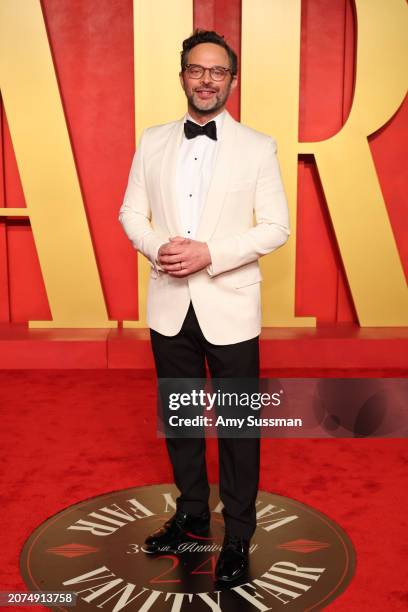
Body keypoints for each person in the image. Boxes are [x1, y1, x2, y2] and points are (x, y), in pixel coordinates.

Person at [119, 29, 290, 585]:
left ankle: (238, 535)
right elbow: (131, 214)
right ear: (183, 76)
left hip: (231, 305)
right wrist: (160, 250)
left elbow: (275, 227)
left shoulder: (257, 146)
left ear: (232, 81)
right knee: (183, 421)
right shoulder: (153, 139)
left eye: (218, 71)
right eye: (197, 69)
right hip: (169, 303)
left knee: (239, 427)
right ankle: (192, 518)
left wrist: (210, 253)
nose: (207, 79)